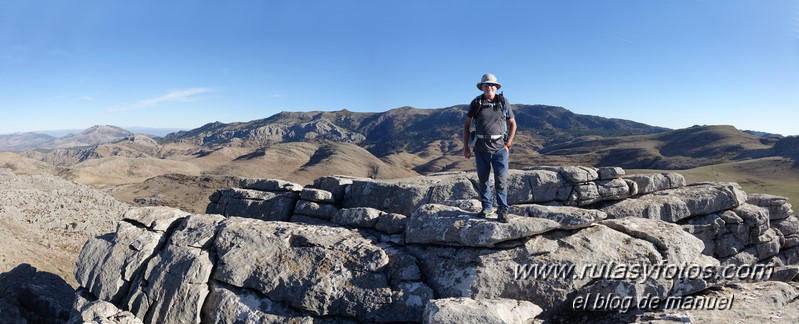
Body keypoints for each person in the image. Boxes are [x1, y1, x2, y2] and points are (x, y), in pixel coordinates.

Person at [463, 73, 517, 223]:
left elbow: (513, 124)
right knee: (483, 180)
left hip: (500, 148)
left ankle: (503, 209)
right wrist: (466, 147)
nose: (489, 87)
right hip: (481, 149)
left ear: (496, 87)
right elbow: (467, 126)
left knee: (501, 180)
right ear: (482, 87)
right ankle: (486, 207)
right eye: (486, 85)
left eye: (491, 85)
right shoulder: (476, 103)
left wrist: (508, 145)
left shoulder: (503, 102)